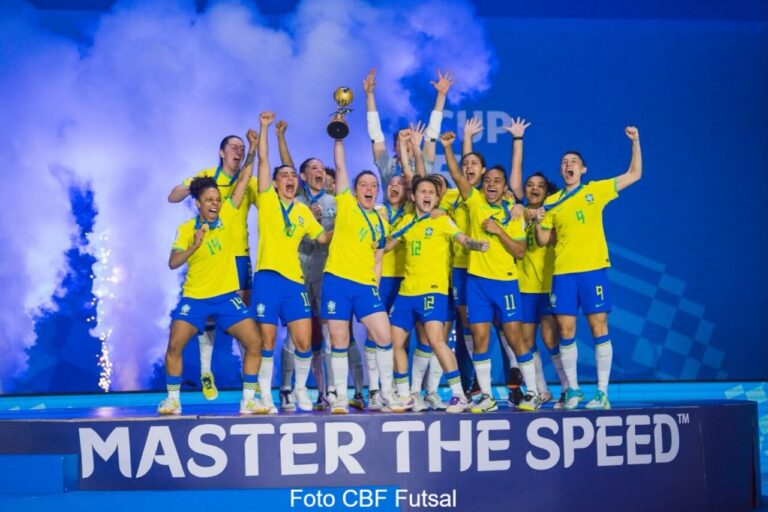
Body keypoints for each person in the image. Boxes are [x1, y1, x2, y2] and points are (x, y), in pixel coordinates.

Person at [159, 131, 269, 415]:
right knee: (174, 345)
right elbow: (172, 262)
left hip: (225, 294)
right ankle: (173, 399)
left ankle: (248, 399)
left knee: (255, 341)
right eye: (209, 199)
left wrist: (255, 148)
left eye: (218, 199)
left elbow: (245, 178)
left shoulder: (230, 213)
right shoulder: (186, 228)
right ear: (199, 202)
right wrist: (194, 246)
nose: (215, 203)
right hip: (195, 297)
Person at [536, 126, 643, 410]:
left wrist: (635, 142)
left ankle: (602, 394)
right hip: (563, 274)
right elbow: (543, 239)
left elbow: (635, 174)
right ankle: (572, 391)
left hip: (593, 270)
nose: (568, 165)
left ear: (583, 169)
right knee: (566, 330)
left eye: (573, 162)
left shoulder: (595, 191)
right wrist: (537, 219)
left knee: (598, 328)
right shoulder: (551, 202)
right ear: (561, 171)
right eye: (564, 162)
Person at [441, 131, 541, 412]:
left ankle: (532, 392)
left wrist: (498, 231)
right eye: (488, 181)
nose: (492, 185)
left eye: (498, 181)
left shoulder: (514, 212)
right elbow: (457, 176)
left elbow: (520, 252)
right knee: (480, 338)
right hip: (477, 284)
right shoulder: (474, 201)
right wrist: (448, 147)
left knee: (515, 339)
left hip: (505, 283)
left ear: (504, 186)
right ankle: (486, 396)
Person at [385, 175, 488, 413]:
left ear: (436, 197)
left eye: (432, 192)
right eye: (423, 191)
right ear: (413, 196)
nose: (427, 195)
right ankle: (406, 395)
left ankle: (459, 396)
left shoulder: (442, 221)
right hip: (406, 293)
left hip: (433, 292)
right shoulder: (407, 221)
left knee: (435, 340)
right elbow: (387, 244)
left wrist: (476, 244)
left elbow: (462, 238)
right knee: (394, 343)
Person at [251, 112, 332, 413]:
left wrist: (345, 227)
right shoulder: (268, 201)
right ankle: (265, 395)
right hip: (268, 279)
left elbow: (322, 239)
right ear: (273, 183)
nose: (289, 179)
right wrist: (264, 128)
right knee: (267, 340)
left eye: (291, 176)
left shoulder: (302, 212)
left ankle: (300, 390)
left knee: (303, 339)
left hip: (294, 282)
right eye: (283, 175)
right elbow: (262, 162)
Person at [320, 135, 407, 414]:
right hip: (336, 281)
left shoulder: (380, 221)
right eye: (364, 185)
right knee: (340, 340)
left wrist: (374, 285)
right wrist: (338, 139)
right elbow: (340, 165)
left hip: (365, 286)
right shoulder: (345, 204)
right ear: (355, 190)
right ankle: (340, 399)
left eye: (373, 186)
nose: (369, 189)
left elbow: (378, 257)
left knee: (384, 336)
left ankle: (384, 394)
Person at [503, 118, 570, 409]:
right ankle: (540, 390)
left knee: (551, 339)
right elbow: (515, 181)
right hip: (523, 287)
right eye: (530, 185)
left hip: (548, 285)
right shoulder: (518, 212)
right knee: (526, 343)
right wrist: (518, 140)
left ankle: (568, 388)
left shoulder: (553, 211)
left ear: (547, 191)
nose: (533, 188)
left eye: (539, 186)